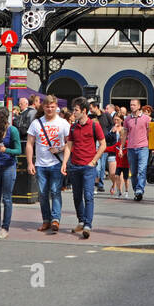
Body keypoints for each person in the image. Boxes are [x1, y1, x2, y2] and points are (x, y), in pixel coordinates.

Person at [26, 95, 70, 233]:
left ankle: (55, 220)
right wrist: (29, 162)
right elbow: (29, 143)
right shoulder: (36, 123)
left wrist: (61, 152)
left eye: (52, 107)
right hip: (40, 163)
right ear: (43, 107)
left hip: (57, 162)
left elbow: (70, 144)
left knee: (56, 191)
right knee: (43, 194)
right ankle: (46, 220)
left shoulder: (63, 123)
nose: (50, 109)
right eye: (47, 106)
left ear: (56, 107)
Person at [66, 99, 106, 239]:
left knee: (88, 196)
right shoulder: (73, 127)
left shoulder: (94, 125)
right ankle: (81, 221)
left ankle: (88, 225)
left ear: (84, 111)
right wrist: (65, 163)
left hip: (88, 167)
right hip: (75, 166)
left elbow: (103, 145)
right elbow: (69, 146)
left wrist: (94, 161)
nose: (73, 112)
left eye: (76, 110)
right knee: (76, 196)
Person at [0, 106, 20, 238]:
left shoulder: (12, 130)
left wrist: (6, 150)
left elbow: (18, 150)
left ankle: (5, 228)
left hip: (8, 167)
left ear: (0, 117)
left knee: (6, 198)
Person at [124, 98, 151, 201]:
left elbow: (149, 133)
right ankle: (136, 191)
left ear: (139, 106)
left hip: (143, 147)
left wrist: (151, 147)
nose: (132, 107)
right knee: (134, 172)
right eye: (131, 105)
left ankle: (140, 190)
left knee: (141, 170)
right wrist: (122, 147)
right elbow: (125, 133)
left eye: (134, 105)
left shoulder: (146, 119)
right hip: (131, 148)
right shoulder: (127, 119)